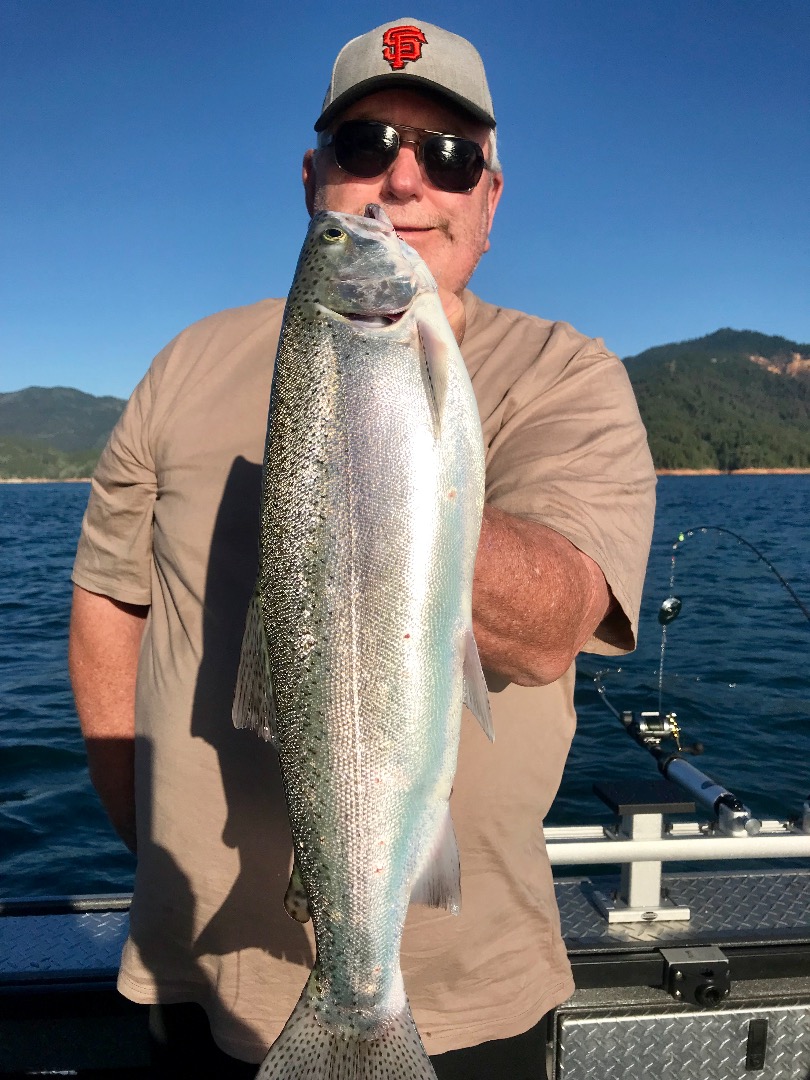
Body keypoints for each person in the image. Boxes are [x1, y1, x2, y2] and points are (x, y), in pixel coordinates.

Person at [69, 17, 655, 1080]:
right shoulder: (185, 363)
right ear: (311, 178)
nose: (401, 181)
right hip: (191, 971)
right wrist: (141, 829)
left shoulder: (570, 373)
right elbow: (109, 600)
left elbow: (552, 628)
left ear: (489, 194)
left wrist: (372, 477)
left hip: (468, 995)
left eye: (447, 155)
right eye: (363, 146)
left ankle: (363, 989)